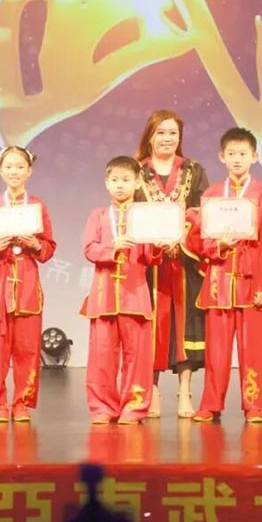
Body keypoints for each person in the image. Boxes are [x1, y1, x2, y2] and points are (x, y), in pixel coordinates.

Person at [187, 128, 262, 423]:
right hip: (219, 280)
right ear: (221, 156)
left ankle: (254, 405)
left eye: (243, 154)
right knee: (217, 349)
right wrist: (219, 246)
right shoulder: (212, 195)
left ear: (255, 157)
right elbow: (200, 240)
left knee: (254, 348)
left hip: (251, 280)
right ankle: (211, 404)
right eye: (232, 154)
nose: (237, 159)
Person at [0, 146, 56, 423]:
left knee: (27, 347)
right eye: (9, 166)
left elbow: (49, 247)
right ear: (0, 170)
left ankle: (22, 402)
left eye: (20, 166)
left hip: (27, 282)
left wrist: (35, 244)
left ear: (29, 171)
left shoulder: (38, 206)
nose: (14, 171)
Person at [134, 110, 209, 419]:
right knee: (152, 323)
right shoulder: (137, 172)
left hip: (184, 261)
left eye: (173, 133)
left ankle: (185, 391)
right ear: (150, 136)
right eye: (161, 132)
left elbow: (201, 212)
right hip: (149, 265)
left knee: (185, 324)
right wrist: (153, 241)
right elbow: (130, 213)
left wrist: (182, 238)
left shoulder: (193, 170)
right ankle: (151, 391)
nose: (167, 138)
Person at [80, 156, 166, 425]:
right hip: (104, 296)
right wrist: (113, 248)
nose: (120, 185)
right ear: (106, 183)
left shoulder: (145, 215)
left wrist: (158, 245)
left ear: (137, 182)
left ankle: (134, 407)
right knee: (102, 356)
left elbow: (151, 257)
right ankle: (102, 407)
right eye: (115, 180)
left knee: (137, 356)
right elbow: (89, 249)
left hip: (135, 294)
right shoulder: (98, 215)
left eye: (126, 180)